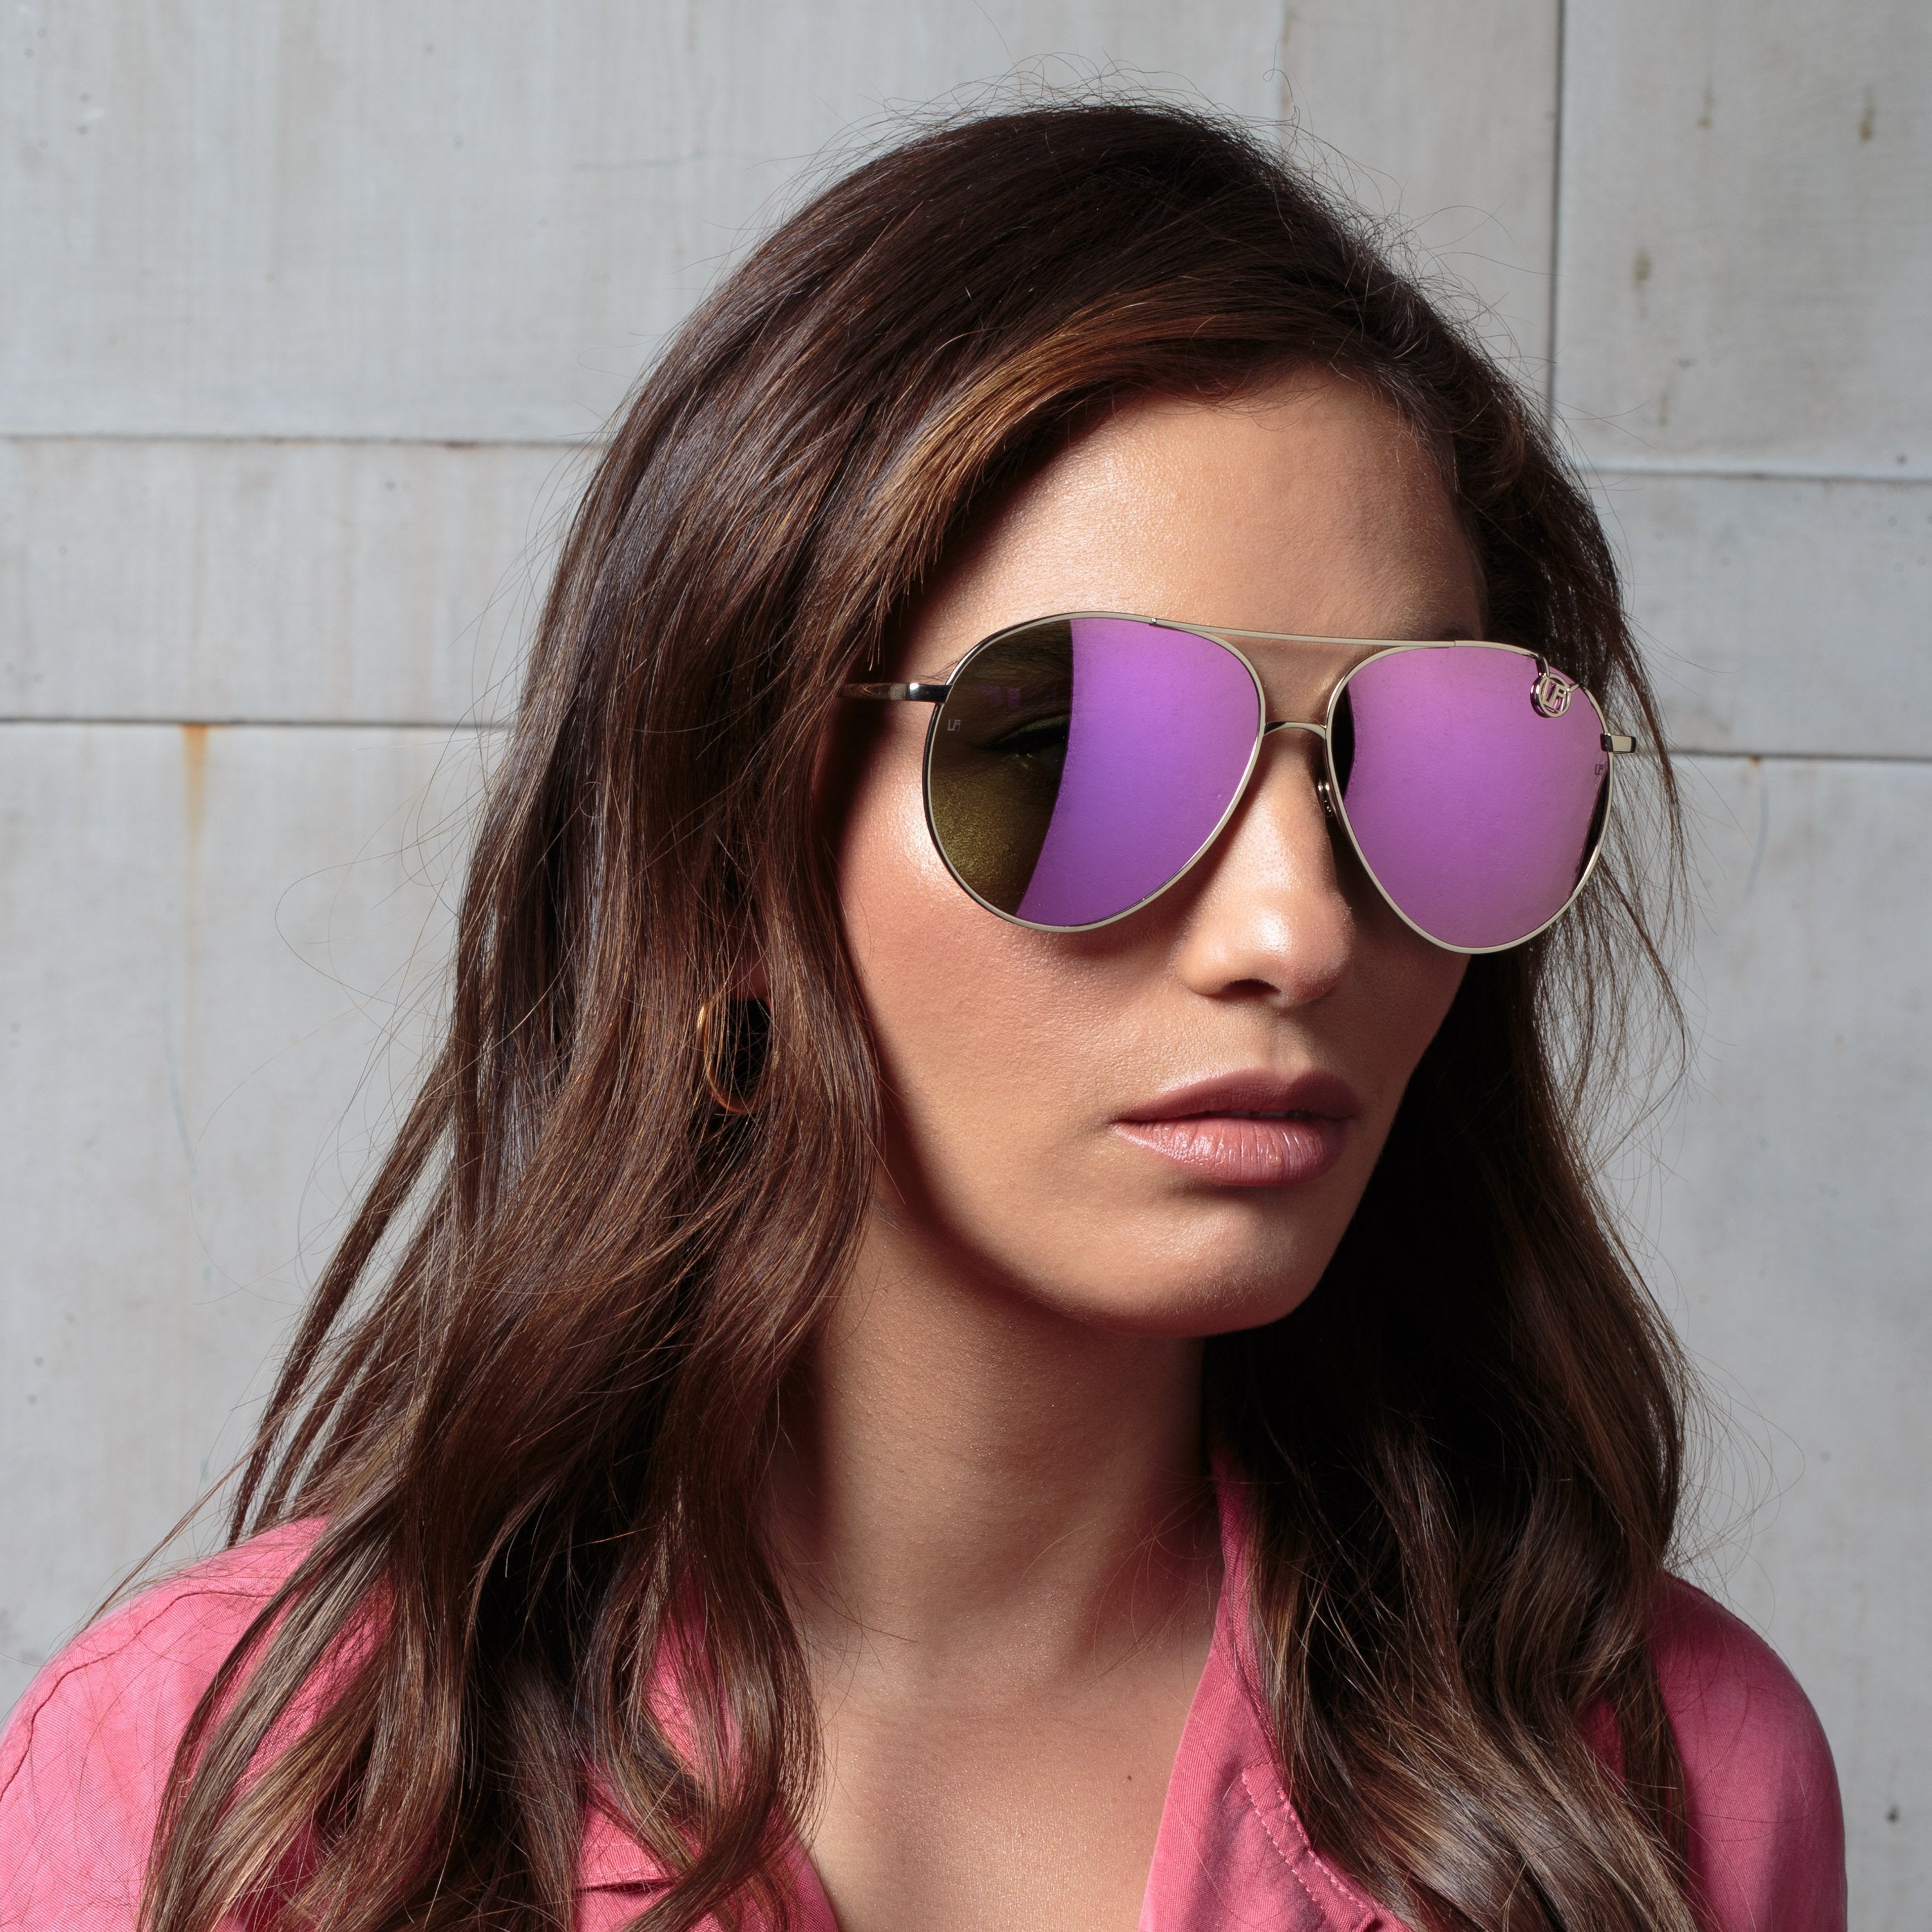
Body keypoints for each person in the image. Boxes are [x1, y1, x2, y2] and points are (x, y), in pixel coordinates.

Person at [0, 101, 1844, 1932]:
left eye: (1435, 761)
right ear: (732, 863)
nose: (1297, 929)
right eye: (1084, 754)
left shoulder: (1668, 1787)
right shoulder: (217, 1796)